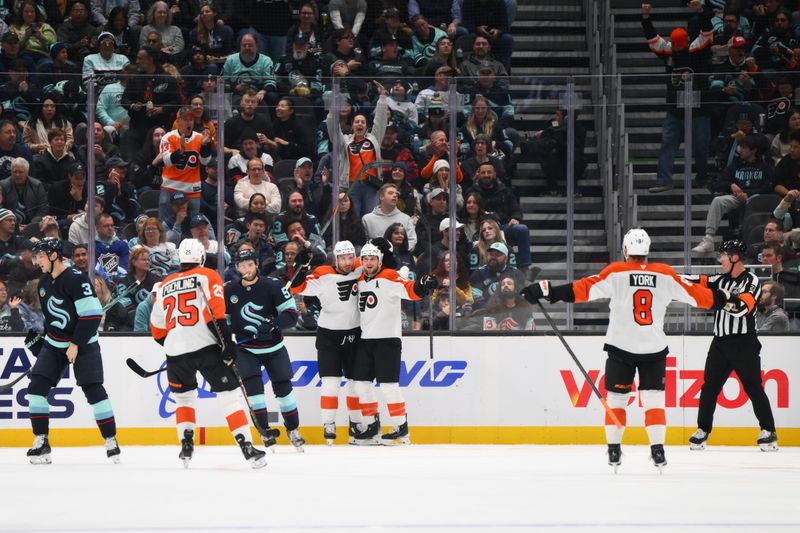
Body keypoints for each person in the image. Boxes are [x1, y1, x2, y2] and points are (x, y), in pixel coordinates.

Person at [521, 229, 743, 472]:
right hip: (654, 349)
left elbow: (581, 290)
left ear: (626, 250)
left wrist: (545, 290)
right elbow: (699, 296)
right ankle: (657, 449)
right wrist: (724, 299)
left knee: (617, 400)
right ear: (647, 251)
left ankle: (614, 449)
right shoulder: (665, 274)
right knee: (654, 401)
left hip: (620, 348)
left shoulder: (616, 272)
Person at [149, 238, 268, 469]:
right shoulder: (208, 275)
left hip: (175, 354)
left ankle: (186, 445)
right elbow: (214, 314)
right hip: (206, 348)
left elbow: (157, 329)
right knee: (229, 396)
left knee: (183, 399)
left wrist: (176, 344)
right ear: (201, 258)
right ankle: (247, 447)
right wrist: (227, 345)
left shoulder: (164, 285)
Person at [25, 238, 120, 465]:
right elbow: (51, 319)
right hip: (56, 344)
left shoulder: (77, 280)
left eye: (40, 256)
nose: (37, 261)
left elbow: (91, 316)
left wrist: (76, 343)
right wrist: (44, 341)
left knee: (92, 388)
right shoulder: (44, 283)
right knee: (36, 386)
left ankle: (111, 439)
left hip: (84, 343)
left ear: (54, 256)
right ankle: (41, 440)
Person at [684, 239, 779, 452]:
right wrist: (668, 279)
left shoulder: (752, 281)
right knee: (709, 387)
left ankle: (769, 431)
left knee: (753, 386)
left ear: (735, 256)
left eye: (724, 255)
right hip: (720, 342)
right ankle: (702, 430)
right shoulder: (721, 279)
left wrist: (719, 299)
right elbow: (694, 280)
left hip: (743, 342)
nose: (721, 259)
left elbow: (742, 308)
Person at [351, 242, 437, 445]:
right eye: (365, 259)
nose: (369, 263)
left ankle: (400, 427)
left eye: (373, 259)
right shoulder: (359, 277)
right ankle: (372, 425)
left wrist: (423, 286)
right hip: (365, 339)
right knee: (361, 385)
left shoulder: (390, 276)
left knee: (389, 385)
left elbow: (410, 290)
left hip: (387, 339)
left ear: (379, 260)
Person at [225, 249, 304, 451]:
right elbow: (223, 321)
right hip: (246, 349)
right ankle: (264, 431)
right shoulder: (229, 290)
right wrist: (227, 337)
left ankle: (293, 429)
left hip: (274, 347)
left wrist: (273, 324)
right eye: (242, 266)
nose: (246, 269)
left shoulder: (273, 286)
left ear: (256, 265)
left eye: (250, 265)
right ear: (237, 267)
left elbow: (292, 315)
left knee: (284, 389)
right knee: (254, 392)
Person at [291, 240, 363, 444]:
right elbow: (298, 287)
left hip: (354, 334)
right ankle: (328, 424)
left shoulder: (360, 269)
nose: (347, 262)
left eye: (350, 257)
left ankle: (356, 424)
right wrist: (301, 265)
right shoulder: (323, 274)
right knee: (330, 383)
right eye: (343, 258)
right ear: (336, 258)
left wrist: (384, 248)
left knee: (355, 384)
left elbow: (381, 265)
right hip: (328, 335)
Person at [642, 1, 713, 193]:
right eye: (676, 48)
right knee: (668, 142)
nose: (678, 51)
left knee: (701, 145)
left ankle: (703, 177)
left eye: (680, 47)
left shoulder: (697, 49)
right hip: (675, 107)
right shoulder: (669, 51)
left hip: (700, 106)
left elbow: (707, 32)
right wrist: (646, 18)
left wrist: (701, 11)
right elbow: (652, 39)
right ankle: (664, 180)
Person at [692, 135, 773, 254]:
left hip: (756, 198)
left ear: (754, 150)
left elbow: (767, 187)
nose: (740, 150)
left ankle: (750, 242)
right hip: (737, 197)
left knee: (754, 200)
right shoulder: (735, 164)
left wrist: (748, 193)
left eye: (744, 148)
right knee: (718, 200)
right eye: (740, 147)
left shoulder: (764, 166)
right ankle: (708, 239)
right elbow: (718, 184)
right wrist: (731, 185)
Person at [158, 106, 213, 224]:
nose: (189, 122)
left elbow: (205, 161)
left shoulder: (199, 137)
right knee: (165, 223)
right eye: (185, 119)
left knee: (194, 223)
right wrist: (181, 150)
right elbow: (167, 161)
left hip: (192, 188)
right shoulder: (168, 137)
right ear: (178, 122)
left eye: (191, 120)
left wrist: (204, 145)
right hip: (170, 186)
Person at [361, 183, 418, 251]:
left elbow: (412, 240)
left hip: (398, 258)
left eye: (396, 194)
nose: (394, 195)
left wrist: (398, 252)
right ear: (381, 197)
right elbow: (363, 242)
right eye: (390, 193)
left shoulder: (406, 218)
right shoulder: (367, 219)